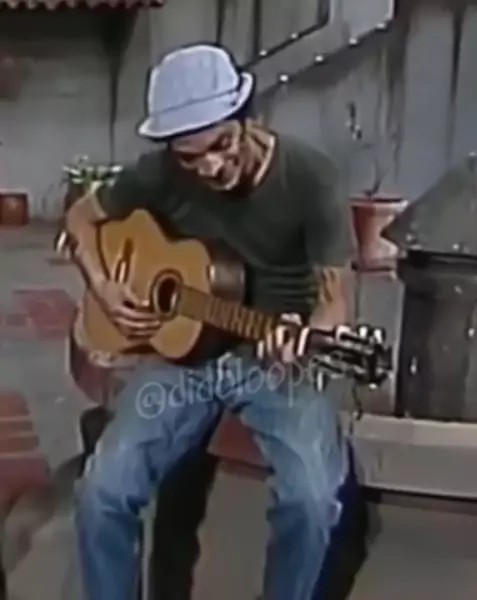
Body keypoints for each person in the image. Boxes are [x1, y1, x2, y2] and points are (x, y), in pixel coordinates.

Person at [66, 43, 356, 600]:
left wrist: (307, 337)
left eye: (221, 144)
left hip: (275, 360)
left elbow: (336, 301)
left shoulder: (310, 177)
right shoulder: (158, 174)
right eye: (189, 157)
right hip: (185, 357)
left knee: (312, 499)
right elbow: (81, 217)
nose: (211, 167)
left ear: (247, 117)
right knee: (101, 492)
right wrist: (103, 286)